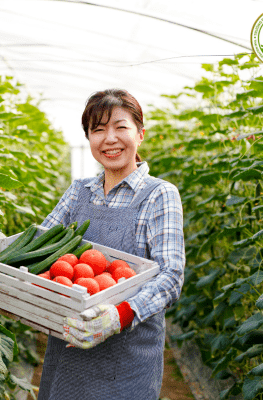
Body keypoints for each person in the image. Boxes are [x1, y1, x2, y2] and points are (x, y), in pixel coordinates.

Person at [37, 89, 185, 400]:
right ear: (89, 138)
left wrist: (121, 314)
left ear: (140, 134)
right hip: (70, 346)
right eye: (98, 129)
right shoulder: (79, 191)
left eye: (120, 127)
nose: (109, 139)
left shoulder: (160, 194)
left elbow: (171, 277)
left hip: (126, 358)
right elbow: (41, 240)